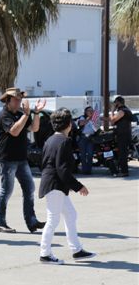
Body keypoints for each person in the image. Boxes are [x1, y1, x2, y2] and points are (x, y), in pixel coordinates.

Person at [38, 108, 96, 265]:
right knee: (53, 219)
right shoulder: (64, 141)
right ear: (69, 124)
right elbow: (62, 169)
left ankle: (77, 250)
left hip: (54, 185)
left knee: (70, 214)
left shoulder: (50, 140)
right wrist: (78, 186)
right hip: (55, 186)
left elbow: (43, 164)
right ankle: (45, 254)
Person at [0, 88, 46, 234]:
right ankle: (0, 222)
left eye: (20, 99)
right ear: (7, 101)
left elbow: (34, 128)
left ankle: (32, 221)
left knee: (29, 189)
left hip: (21, 159)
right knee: (6, 191)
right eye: (16, 99)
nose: (19, 102)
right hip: (7, 159)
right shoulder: (3, 115)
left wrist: (36, 113)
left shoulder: (21, 114)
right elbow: (14, 131)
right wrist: (27, 114)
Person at [107, 96, 132, 177]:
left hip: (123, 135)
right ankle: (122, 170)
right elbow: (113, 122)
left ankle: (124, 172)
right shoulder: (123, 110)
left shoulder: (123, 110)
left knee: (123, 154)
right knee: (121, 153)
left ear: (118, 102)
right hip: (122, 134)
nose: (114, 104)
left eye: (115, 102)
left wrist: (112, 110)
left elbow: (113, 120)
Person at [76, 106, 96, 175]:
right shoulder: (83, 117)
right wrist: (89, 118)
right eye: (89, 111)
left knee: (90, 154)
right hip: (83, 137)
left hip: (91, 137)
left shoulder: (94, 118)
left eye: (92, 111)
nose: (91, 112)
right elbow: (81, 123)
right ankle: (84, 170)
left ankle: (89, 170)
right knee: (83, 154)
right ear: (85, 112)